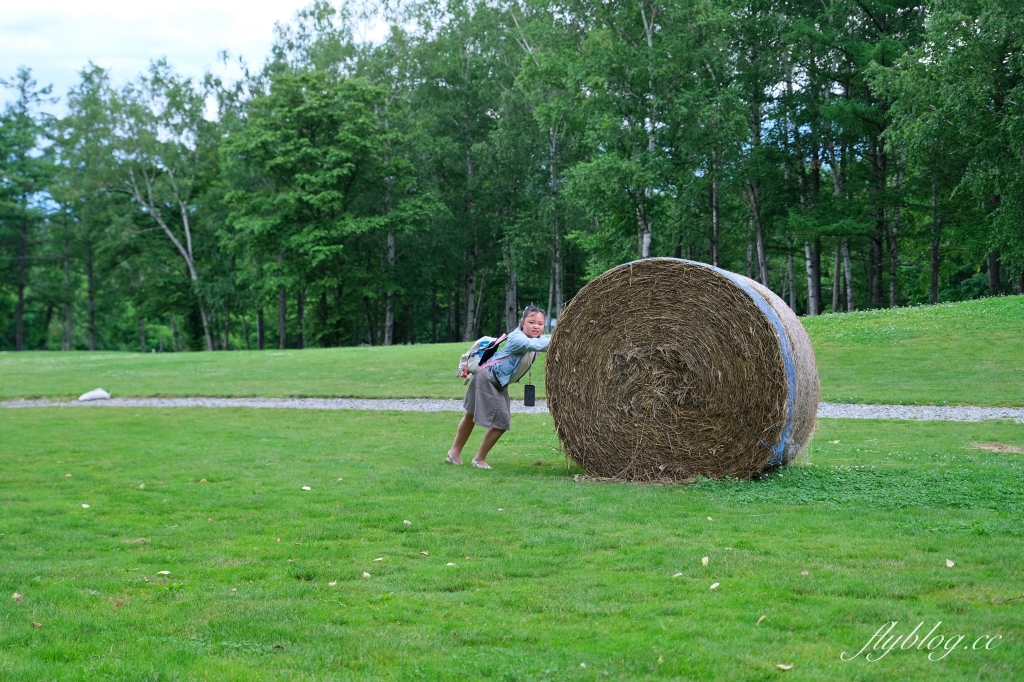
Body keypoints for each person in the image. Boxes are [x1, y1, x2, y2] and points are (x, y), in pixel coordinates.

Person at [445, 306, 550, 469]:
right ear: (522, 323)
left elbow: (543, 341)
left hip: (492, 378)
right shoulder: (517, 338)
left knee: (470, 415)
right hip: (489, 378)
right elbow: (539, 345)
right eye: (531, 322)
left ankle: (454, 454)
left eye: (540, 323)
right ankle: (479, 459)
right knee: (501, 421)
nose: (536, 326)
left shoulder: (534, 340)